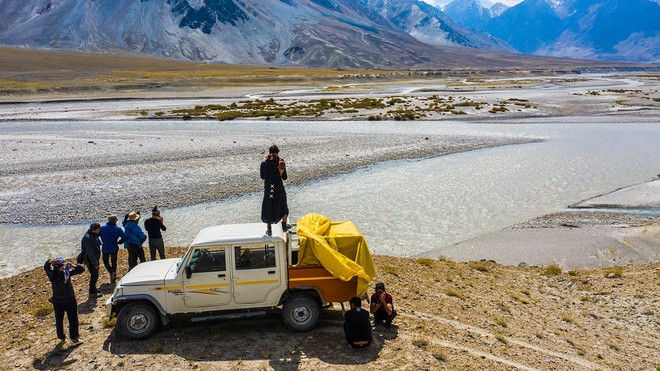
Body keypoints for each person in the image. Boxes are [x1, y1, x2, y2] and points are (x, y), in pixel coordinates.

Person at [44, 257, 85, 345]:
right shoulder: (66, 273)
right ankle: (74, 339)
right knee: (73, 319)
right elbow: (81, 269)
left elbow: (46, 268)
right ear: (63, 265)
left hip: (57, 300)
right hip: (69, 299)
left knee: (59, 319)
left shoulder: (51, 275)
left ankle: (61, 337)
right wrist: (72, 265)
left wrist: (49, 261)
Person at [260, 144, 290, 236]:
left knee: (269, 207)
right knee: (283, 206)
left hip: (269, 189)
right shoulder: (280, 163)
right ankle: (284, 226)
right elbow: (284, 177)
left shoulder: (264, 164)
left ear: (269, 152)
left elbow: (262, 177)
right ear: (278, 152)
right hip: (279, 189)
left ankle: (269, 230)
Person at [100, 215, 126, 283]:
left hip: (105, 247)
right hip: (114, 247)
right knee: (114, 262)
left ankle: (111, 273)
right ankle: (113, 275)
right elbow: (125, 237)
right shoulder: (117, 229)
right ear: (115, 220)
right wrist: (119, 242)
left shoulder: (102, 228)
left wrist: (100, 242)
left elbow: (96, 235)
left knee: (105, 262)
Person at [81, 221, 102, 298]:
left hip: (93, 259)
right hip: (90, 260)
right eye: (98, 229)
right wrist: (95, 263)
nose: (99, 230)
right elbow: (90, 253)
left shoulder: (92, 234)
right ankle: (92, 292)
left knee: (95, 275)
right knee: (94, 275)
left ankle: (93, 288)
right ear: (95, 229)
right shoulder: (88, 238)